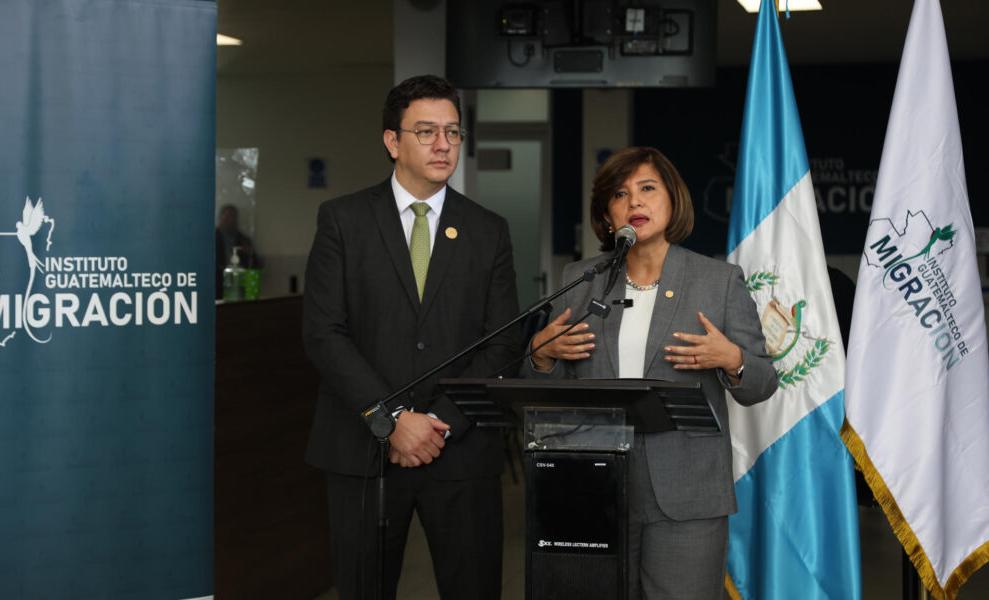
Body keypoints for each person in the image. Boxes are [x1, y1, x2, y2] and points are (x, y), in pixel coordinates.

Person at [522, 147, 778, 599]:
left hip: (686, 489)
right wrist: (541, 357)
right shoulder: (581, 282)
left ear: (672, 201)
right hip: (590, 486)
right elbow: (545, 392)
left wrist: (732, 358)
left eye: (647, 189)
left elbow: (761, 384)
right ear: (606, 215)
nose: (634, 202)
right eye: (620, 194)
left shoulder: (717, 281)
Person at [302, 75, 521, 600]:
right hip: (363, 451)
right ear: (392, 141)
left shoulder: (488, 230)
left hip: (461, 449)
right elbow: (324, 333)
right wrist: (393, 420)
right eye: (426, 131)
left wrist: (438, 426)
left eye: (452, 131)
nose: (443, 144)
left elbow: (503, 343)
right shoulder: (343, 221)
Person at [214, 204, 261, 299]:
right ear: (220, 218)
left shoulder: (243, 240)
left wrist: (249, 254)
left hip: (238, 288)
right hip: (216, 287)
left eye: (233, 217)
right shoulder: (211, 238)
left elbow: (256, 265)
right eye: (228, 216)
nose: (231, 220)